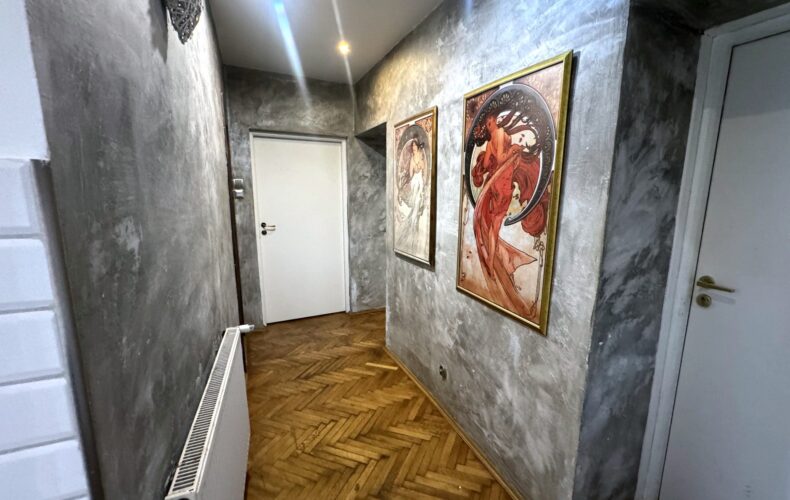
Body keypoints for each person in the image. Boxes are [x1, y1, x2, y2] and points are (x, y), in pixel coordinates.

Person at [470, 113, 549, 318]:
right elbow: (499, 159)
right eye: (487, 124)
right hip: (502, 182)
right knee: (495, 226)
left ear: (494, 120)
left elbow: (488, 163)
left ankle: (490, 262)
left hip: (498, 183)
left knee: (493, 227)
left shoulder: (494, 138)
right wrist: (514, 150)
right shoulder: (499, 135)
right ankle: (490, 262)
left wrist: (489, 164)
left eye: (489, 122)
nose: (489, 126)